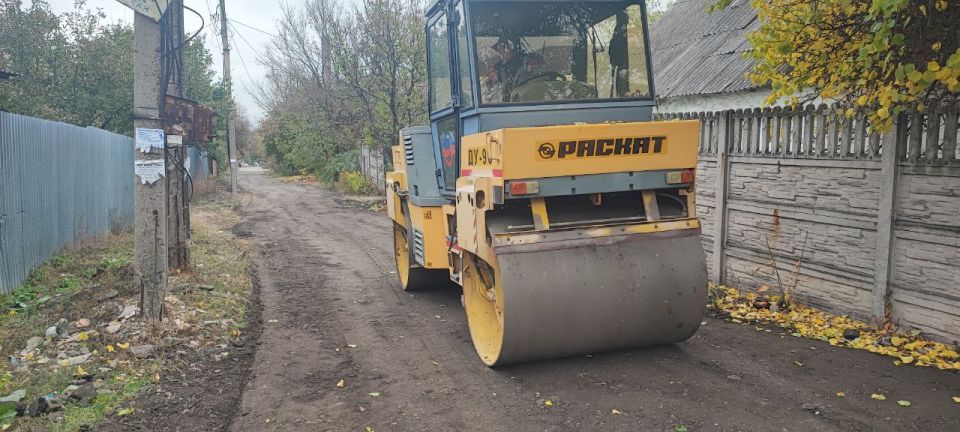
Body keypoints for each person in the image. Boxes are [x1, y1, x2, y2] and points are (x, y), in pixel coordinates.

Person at [483, 36, 542, 102]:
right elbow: (489, 83)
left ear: (508, 47)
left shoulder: (526, 60)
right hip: (512, 103)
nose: (499, 52)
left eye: (499, 49)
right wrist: (490, 80)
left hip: (532, 98)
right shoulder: (500, 67)